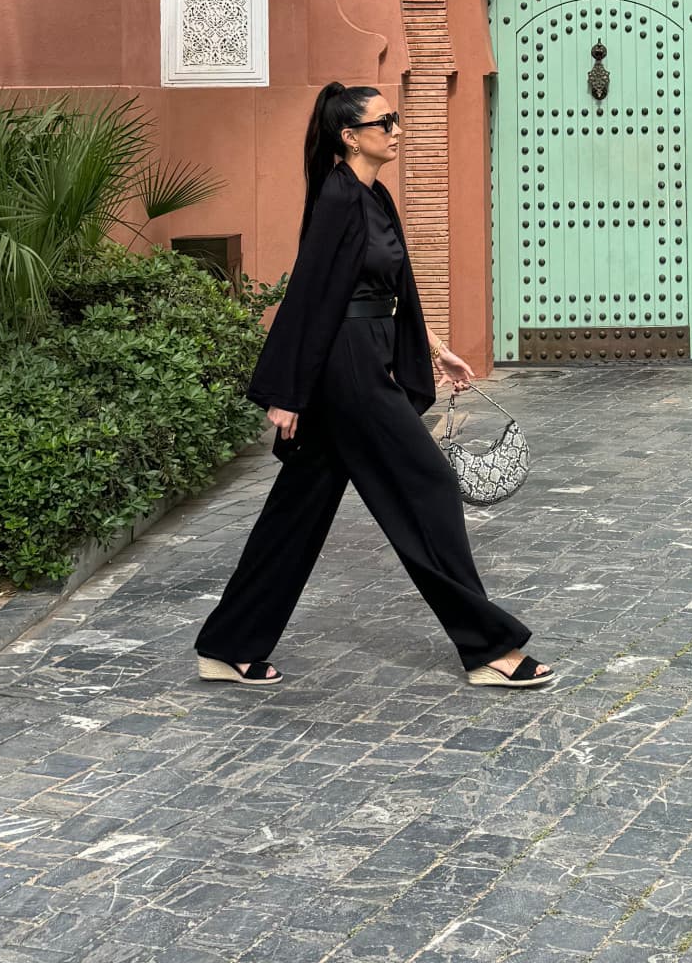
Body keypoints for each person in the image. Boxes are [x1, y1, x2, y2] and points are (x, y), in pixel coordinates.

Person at [194, 83, 553, 690]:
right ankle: (488, 647)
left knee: (297, 510)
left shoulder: (374, 195)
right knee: (428, 486)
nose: (397, 130)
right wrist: (287, 392)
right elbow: (310, 294)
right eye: (384, 121)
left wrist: (435, 348)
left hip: (363, 355)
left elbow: (392, 288)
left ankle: (229, 645)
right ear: (350, 137)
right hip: (347, 368)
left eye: (396, 118)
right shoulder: (338, 196)